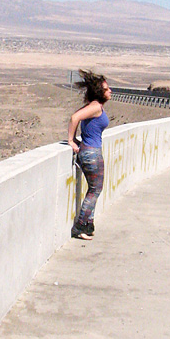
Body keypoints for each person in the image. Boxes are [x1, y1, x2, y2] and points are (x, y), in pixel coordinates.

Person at [67, 69, 112, 239]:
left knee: (95, 189)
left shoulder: (94, 106)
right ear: (100, 92)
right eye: (107, 89)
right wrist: (71, 140)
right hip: (91, 153)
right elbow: (74, 118)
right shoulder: (94, 107)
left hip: (89, 150)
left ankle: (88, 225)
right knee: (95, 190)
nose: (110, 91)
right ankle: (80, 226)